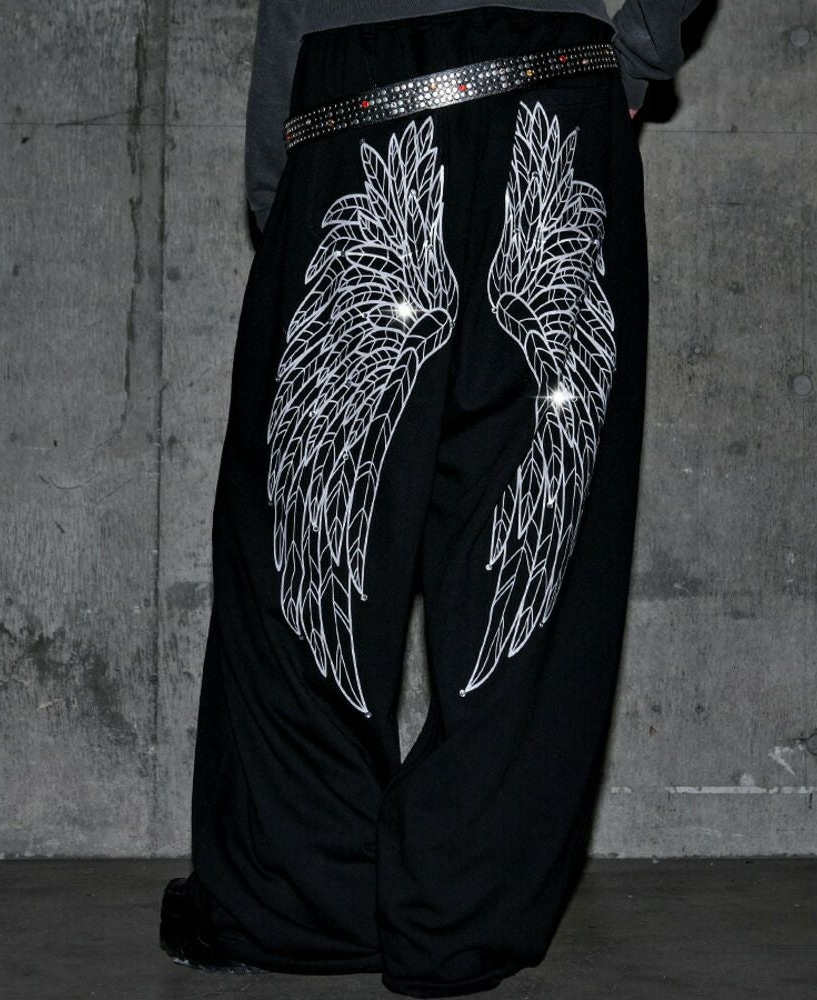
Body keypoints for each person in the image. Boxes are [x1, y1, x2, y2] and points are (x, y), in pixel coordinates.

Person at [160, 2, 702, 996]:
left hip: (357, 94)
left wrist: (280, 169)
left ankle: (303, 898)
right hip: (553, 86)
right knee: (532, 565)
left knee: (304, 544)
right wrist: (637, 48)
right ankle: (463, 911)